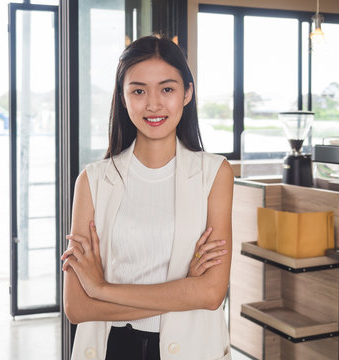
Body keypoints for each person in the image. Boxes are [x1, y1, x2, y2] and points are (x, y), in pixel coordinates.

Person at [61, 35, 234, 360]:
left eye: (167, 89)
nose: (153, 103)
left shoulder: (215, 174)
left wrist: (101, 289)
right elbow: (77, 306)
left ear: (187, 93)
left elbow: (211, 294)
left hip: (192, 349)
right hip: (114, 348)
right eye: (138, 90)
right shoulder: (93, 180)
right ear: (124, 98)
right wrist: (184, 291)